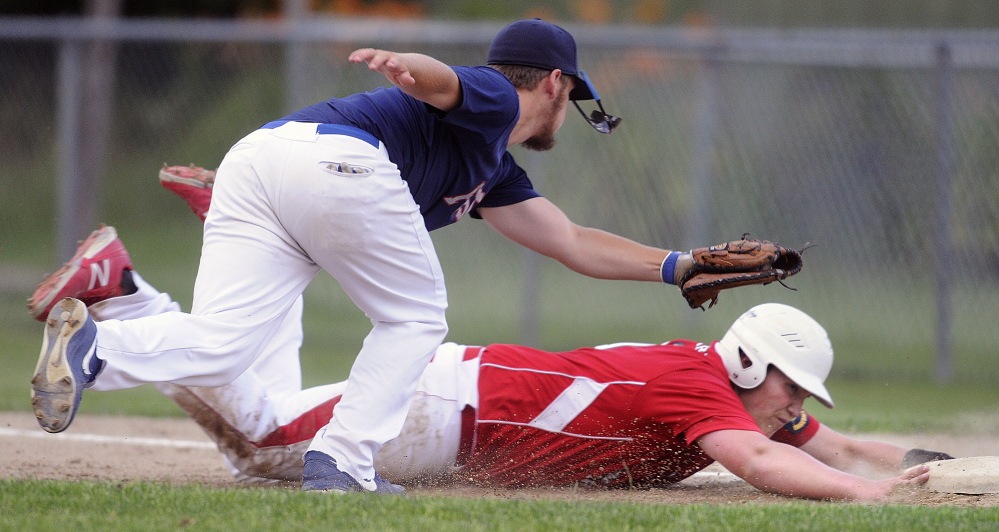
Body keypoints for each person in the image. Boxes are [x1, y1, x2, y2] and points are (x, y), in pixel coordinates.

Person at [30, 19, 717, 494]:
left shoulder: (494, 172)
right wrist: (405, 68)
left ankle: (97, 345)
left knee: (223, 343)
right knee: (416, 317)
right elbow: (444, 81)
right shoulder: (495, 98)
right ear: (559, 85)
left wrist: (677, 265)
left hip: (262, 158)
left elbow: (571, 242)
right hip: (335, 160)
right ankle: (345, 458)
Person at [28, 225, 952, 501]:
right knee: (261, 445)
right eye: (791, 388)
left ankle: (137, 295)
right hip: (442, 410)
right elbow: (762, 461)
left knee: (263, 416)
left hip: (453, 403)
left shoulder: (727, 382)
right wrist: (873, 502)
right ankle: (120, 316)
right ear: (753, 365)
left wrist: (896, 461)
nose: (795, 410)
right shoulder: (698, 387)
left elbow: (810, 439)